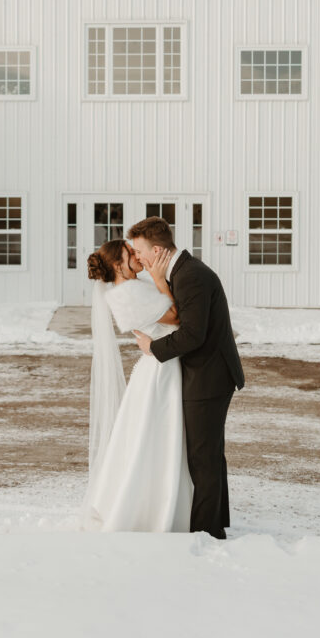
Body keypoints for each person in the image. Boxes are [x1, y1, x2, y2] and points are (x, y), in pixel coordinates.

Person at [129, 216, 245, 540]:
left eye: (140, 251)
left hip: (209, 376)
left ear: (155, 249)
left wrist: (152, 346)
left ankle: (207, 532)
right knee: (208, 454)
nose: (137, 258)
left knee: (202, 457)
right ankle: (214, 522)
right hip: (207, 373)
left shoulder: (190, 276)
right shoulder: (182, 272)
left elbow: (193, 334)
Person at [80, 238, 193, 532]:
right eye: (130, 253)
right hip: (159, 370)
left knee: (150, 436)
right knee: (156, 435)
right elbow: (176, 316)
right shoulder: (127, 293)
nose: (137, 255)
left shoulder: (130, 289)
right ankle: (149, 507)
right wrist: (158, 278)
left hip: (159, 363)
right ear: (119, 264)